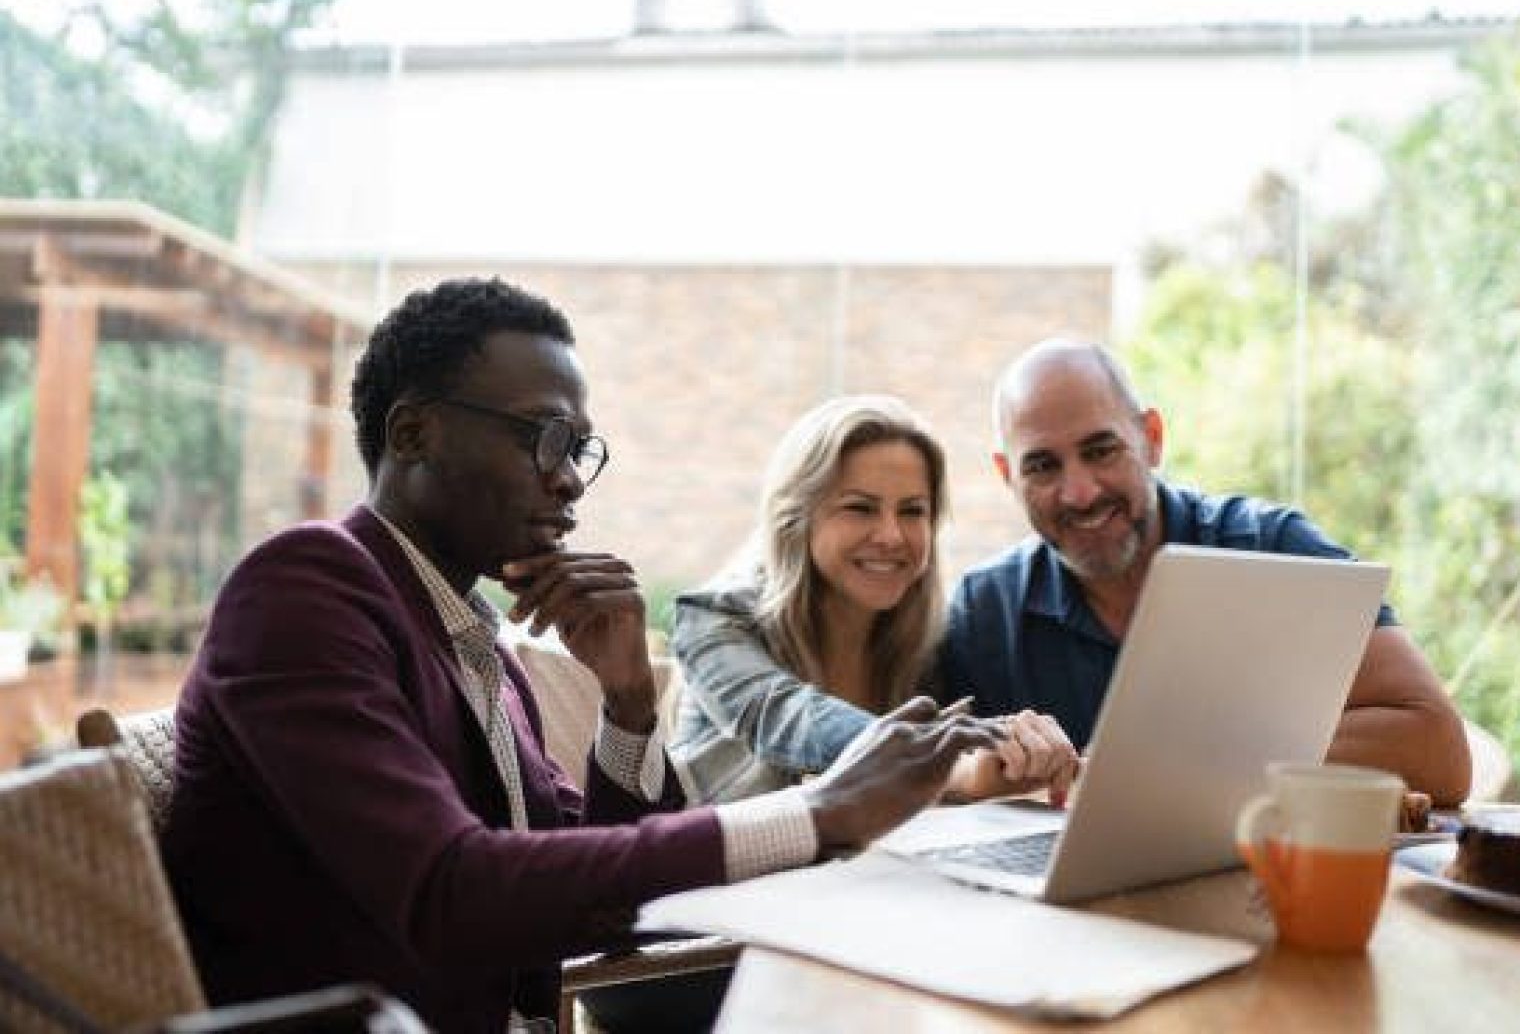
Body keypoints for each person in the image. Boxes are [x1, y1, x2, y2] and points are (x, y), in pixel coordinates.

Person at [162, 279, 1000, 1034]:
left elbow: (592, 890)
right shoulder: (305, 589)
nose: (569, 481)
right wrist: (822, 812)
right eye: (546, 438)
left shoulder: (471, 635)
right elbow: (452, 892)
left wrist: (629, 702)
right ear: (414, 432)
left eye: (578, 451)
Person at [937, 337, 1472, 807]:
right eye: (1042, 465)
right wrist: (979, 773)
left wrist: (1180, 762)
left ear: (1152, 438)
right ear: (1007, 475)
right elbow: (929, 777)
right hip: (1056, 911)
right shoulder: (984, 611)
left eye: (1101, 451)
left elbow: (1438, 749)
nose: (1080, 492)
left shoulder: (1275, 548)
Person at [671, 395, 1079, 809]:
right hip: (717, 871)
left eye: (912, 511)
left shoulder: (929, 642)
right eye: (860, 508)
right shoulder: (712, 620)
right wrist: (949, 763)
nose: (892, 535)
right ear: (796, 519)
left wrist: (1019, 748)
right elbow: (786, 719)